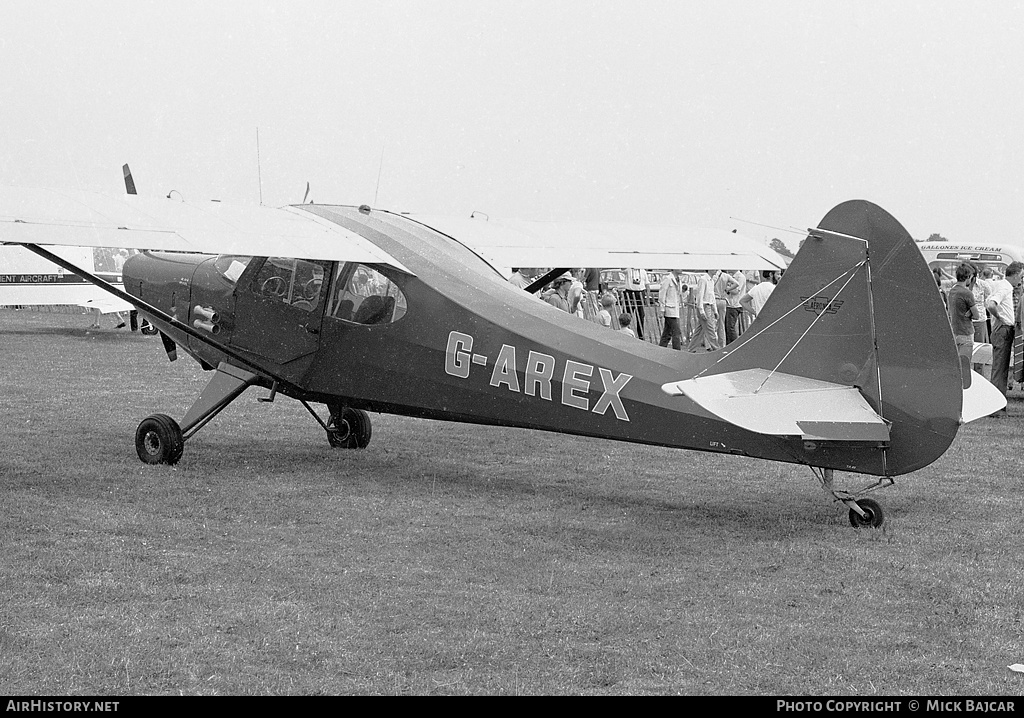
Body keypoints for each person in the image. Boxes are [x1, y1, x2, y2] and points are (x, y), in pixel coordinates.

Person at [985, 261, 1023, 413]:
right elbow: (991, 305)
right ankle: (996, 407)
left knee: (1001, 368)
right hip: (1004, 328)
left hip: (1004, 328)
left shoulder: (1001, 285)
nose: (1020, 280)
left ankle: (998, 404)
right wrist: (1000, 317)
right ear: (1014, 275)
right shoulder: (1005, 287)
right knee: (1000, 369)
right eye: (1020, 276)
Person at [947, 263, 981, 387]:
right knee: (965, 367)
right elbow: (977, 315)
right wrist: (970, 313)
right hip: (966, 332)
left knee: (957, 367)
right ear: (968, 276)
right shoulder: (967, 293)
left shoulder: (952, 291)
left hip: (954, 331)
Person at [687, 270, 719, 352]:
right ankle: (716, 348)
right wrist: (701, 310)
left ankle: (691, 348)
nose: (716, 270)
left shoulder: (712, 280)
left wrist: (715, 310)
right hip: (703, 306)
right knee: (710, 329)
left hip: (709, 306)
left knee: (700, 330)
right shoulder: (703, 280)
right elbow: (700, 296)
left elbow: (712, 296)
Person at [657, 269, 687, 350]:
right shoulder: (668, 279)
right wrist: (662, 309)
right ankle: (677, 352)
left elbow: (679, 294)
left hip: (675, 309)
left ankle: (661, 349)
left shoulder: (679, 280)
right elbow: (662, 294)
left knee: (667, 332)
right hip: (669, 309)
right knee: (676, 332)